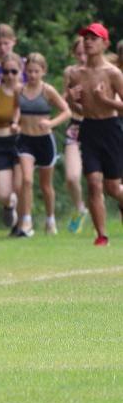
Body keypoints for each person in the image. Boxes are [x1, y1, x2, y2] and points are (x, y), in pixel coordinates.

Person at [65, 22, 123, 246]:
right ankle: (101, 235)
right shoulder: (75, 73)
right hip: (88, 128)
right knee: (93, 182)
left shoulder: (113, 73)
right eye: (85, 38)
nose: (88, 42)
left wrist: (106, 100)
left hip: (111, 129)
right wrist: (72, 99)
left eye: (94, 38)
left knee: (112, 187)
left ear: (104, 43)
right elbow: (77, 109)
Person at [14, 52, 70, 236]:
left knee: (46, 185)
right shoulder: (19, 90)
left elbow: (66, 111)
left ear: (43, 71)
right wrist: (15, 123)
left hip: (44, 141)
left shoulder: (48, 91)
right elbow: (16, 110)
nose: (32, 75)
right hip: (25, 141)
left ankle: (50, 219)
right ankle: (26, 222)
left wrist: (51, 123)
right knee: (27, 180)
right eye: (29, 71)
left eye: (36, 71)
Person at [0, 52, 23, 235]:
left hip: (20, 142)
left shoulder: (24, 91)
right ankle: (9, 206)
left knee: (20, 187)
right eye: (5, 71)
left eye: (13, 71)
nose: (9, 75)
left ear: (20, 72)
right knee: (1, 193)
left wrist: (18, 124)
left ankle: (22, 226)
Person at [62, 37, 89, 233]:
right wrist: (70, 98)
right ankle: (80, 208)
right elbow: (64, 102)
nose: (82, 57)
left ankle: (100, 224)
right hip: (76, 127)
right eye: (78, 53)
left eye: (85, 53)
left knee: (100, 180)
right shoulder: (70, 72)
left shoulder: (106, 70)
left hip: (99, 127)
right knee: (72, 177)